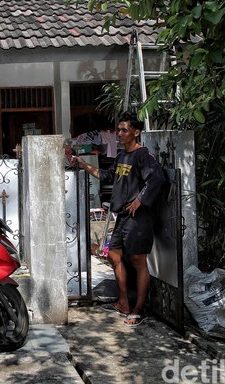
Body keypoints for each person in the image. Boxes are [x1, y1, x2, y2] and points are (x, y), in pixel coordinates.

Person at [71, 112, 165, 327]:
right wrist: (85, 165)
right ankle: (123, 302)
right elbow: (107, 176)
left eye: (124, 130)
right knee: (113, 255)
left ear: (136, 132)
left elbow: (156, 179)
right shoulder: (123, 156)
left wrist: (139, 201)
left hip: (138, 219)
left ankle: (138, 310)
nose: (119, 134)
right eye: (118, 130)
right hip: (122, 216)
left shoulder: (143, 156)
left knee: (138, 261)